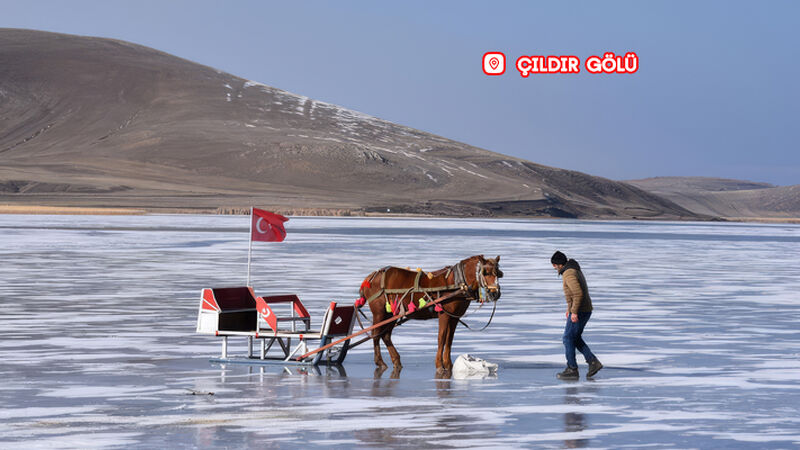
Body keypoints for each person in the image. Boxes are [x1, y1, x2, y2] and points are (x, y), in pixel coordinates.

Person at [551, 251, 602, 380]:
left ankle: (572, 369)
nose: (553, 268)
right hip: (583, 309)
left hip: (580, 310)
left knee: (568, 338)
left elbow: (578, 293)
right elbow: (572, 295)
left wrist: (574, 312)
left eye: (554, 265)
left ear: (558, 264)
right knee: (575, 337)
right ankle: (593, 362)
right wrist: (569, 309)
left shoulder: (569, 273)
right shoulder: (572, 269)